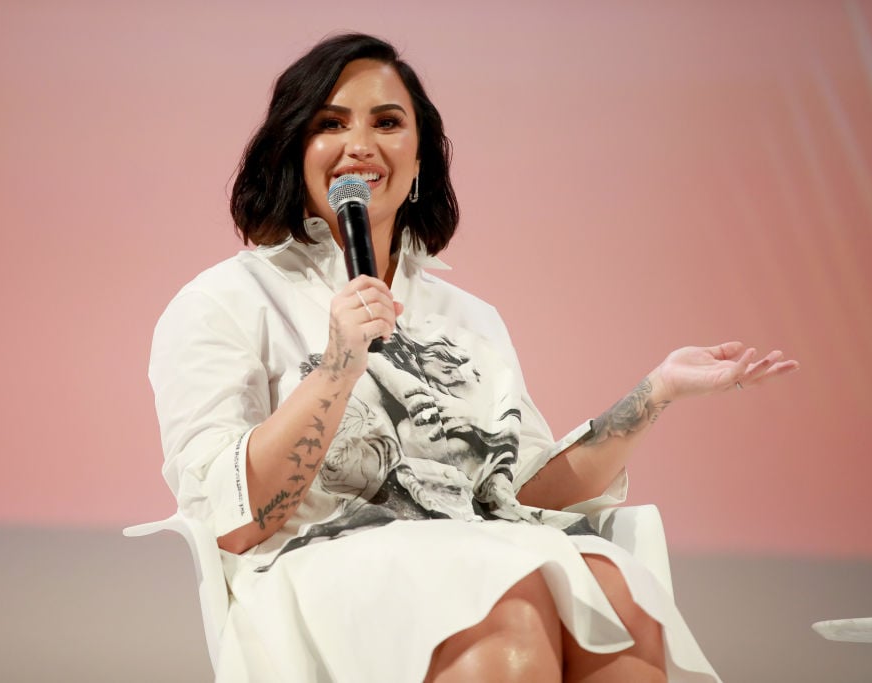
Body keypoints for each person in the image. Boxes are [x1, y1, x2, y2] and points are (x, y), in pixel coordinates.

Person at [148, 33, 798, 682]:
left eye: (387, 122)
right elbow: (235, 521)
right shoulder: (225, 299)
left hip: (476, 549)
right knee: (505, 603)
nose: (360, 143)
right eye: (330, 123)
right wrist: (339, 363)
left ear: (420, 158)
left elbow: (519, 492)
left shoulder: (470, 318)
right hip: (317, 565)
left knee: (614, 591)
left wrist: (655, 392)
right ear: (295, 149)